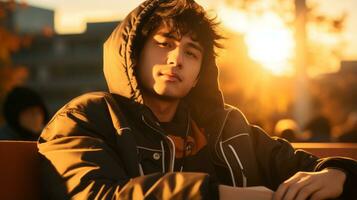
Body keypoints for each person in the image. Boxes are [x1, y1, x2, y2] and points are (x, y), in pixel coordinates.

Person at [37, 0, 357, 199]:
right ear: (134, 52)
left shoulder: (228, 126)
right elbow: (96, 194)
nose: (177, 59)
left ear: (200, 72)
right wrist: (216, 195)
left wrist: (338, 174)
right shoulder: (87, 117)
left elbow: (299, 167)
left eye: (191, 52)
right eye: (165, 43)